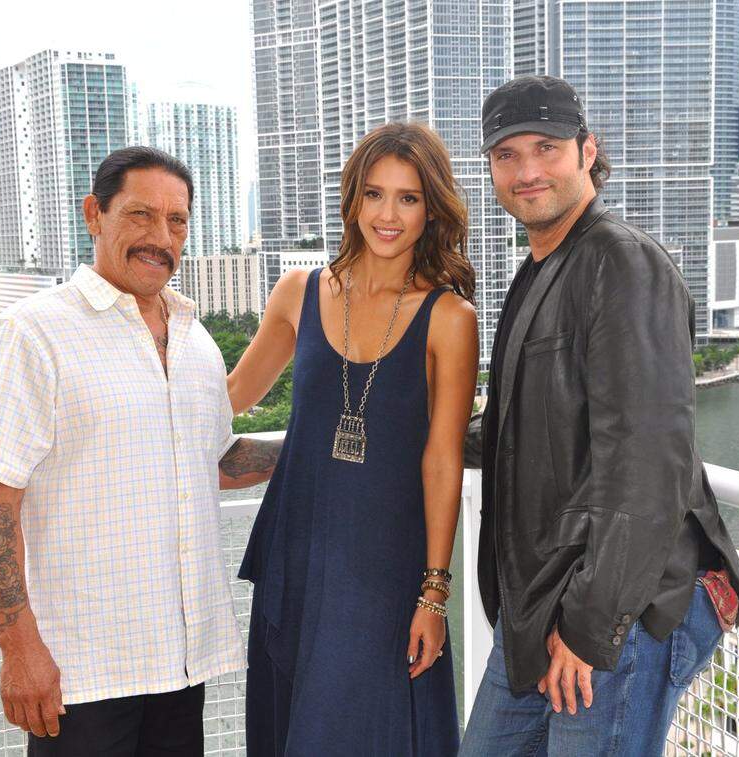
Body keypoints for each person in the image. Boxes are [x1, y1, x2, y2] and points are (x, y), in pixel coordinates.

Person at [458, 76, 739, 756]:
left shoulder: (621, 262)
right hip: (544, 602)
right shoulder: (539, 270)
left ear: (586, 150)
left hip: (615, 611)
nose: (528, 170)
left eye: (546, 148)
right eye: (507, 155)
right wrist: (417, 433)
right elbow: (522, 433)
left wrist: (592, 626)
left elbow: (647, 464)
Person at [0, 146, 281, 756]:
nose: (160, 236)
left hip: (180, 662)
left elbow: (215, 461)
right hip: (82, 671)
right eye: (140, 215)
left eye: (177, 220)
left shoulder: (195, 340)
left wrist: (317, 448)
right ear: (94, 214)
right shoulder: (33, 333)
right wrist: (18, 647)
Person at [229, 121, 478, 755]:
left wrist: (434, 592)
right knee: (289, 728)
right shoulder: (298, 292)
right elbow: (228, 398)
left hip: (384, 568)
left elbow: (443, 462)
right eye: (374, 194)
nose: (387, 215)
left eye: (408, 197)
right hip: (296, 550)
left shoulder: (450, 319)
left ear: (432, 209)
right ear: (352, 200)